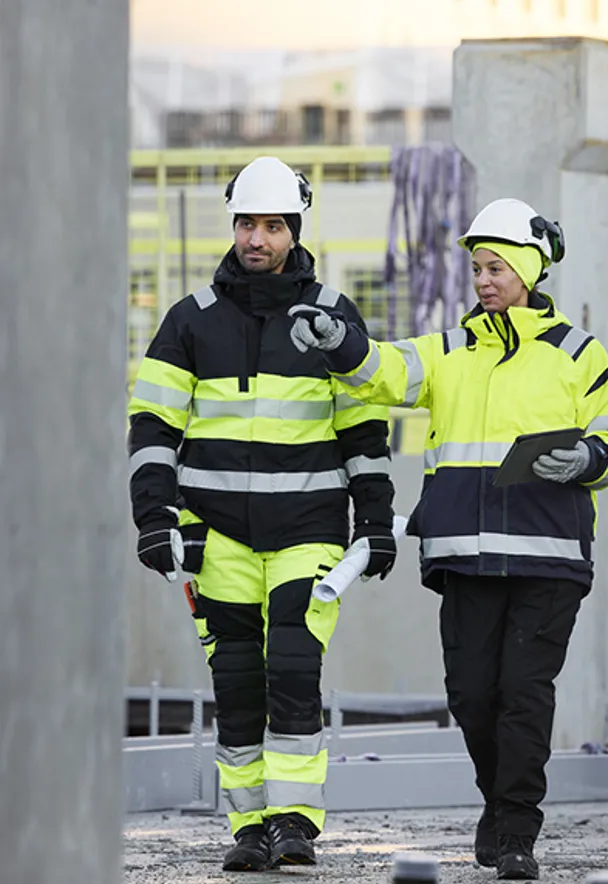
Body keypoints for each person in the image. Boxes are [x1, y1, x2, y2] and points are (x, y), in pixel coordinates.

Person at [288, 197, 608, 880]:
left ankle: (516, 832)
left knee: (524, 696)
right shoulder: (449, 351)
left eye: (496, 267)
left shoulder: (576, 353)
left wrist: (589, 458)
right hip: (464, 558)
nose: (483, 279)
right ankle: (498, 806)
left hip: (548, 561)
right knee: (474, 697)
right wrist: (339, 340)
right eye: (477, 268)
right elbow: (383, 370)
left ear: (531, 270)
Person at [126, 156, 397, 872]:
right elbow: (152, 425)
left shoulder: (332, 318)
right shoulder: (189, 322)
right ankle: (249, 826)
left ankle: (295, 822)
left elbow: (365, 433)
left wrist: (374, 520)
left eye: (272, 225)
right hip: (217, 541)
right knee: (238, 685)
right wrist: (155, 517)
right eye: (247, 223)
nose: (257, 238)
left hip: (308, 534)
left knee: (295, 671)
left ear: (294, 230)